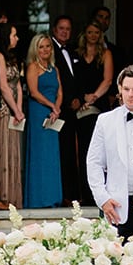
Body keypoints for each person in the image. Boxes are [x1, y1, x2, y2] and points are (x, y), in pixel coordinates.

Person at [87, 63, 133, 259]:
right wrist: (102, 199)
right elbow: (94, 162)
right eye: (126, 89)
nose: (130, 94)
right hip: (116, 209)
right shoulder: (105, 121)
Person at [74, 21, 113, 204]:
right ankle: (85, 194)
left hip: (99, 105)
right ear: (85, 34)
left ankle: (100, 193)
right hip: (81, 107)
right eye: (90, 32)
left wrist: (93, 97)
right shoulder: (77, 55)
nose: (93, 35)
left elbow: (108, 80)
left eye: (96, 32)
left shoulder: (105, 54)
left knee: (98, 150)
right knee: (83, 150)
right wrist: (81, 99)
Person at [24, 33, 63, 208]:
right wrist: (51, 106)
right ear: (35, 49)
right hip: (39, 112)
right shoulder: (33, 67)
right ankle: (38, 199)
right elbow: (34, 92)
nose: (45, 50)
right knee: (39, 155)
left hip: (53, 114)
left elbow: (60, 91)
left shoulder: (54, 69)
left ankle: (52, 197)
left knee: (51, 156)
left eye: (48, 46)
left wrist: (57, 107)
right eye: (41, 47)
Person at [0, 22, 24, 209]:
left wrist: (19, 110)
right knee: (4, 152)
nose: (17, 38)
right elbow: (4, 86)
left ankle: (14, 197)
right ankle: (3, 196)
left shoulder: (13, 58)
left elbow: (18, 85)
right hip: (5, 109)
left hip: (15, 111)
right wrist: (13, 109)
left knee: (14, 152)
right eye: (14, 34)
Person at [51, 15, 81, 204]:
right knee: (61, 152)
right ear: (54, 29)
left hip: (72, 109)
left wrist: (78, 97)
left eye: (68, 29)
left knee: (71, 151)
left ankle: (71, 194)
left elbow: (75, 78)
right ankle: (63, 195)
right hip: (57, 109)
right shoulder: (50, 49)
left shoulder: (71, 51)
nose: (65, 32)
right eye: (61, 28)